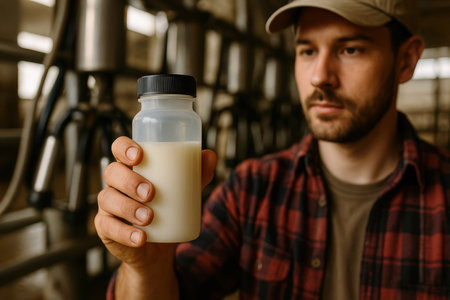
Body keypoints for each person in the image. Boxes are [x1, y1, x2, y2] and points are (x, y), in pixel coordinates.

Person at [95, 0, 450, 299]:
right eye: (308, 50)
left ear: (406, 60)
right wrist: (147, 267)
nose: (319, 76)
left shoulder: (443, 199)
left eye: (350, 49)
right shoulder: (250, 190)